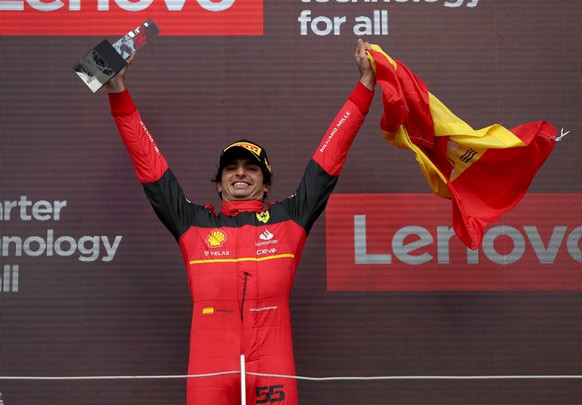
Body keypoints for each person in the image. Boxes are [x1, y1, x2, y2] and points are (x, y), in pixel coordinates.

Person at [104, 39, 376, 405]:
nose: (241, 174)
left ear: (266, 182)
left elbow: (330, 156)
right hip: (210, 364)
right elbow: (148, 163)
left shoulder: (289, 216)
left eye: (252, 168)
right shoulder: (193, 222)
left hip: (273, 361)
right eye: (231, 168)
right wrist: (118, 90)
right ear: (218, 184)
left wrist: (366, 85)